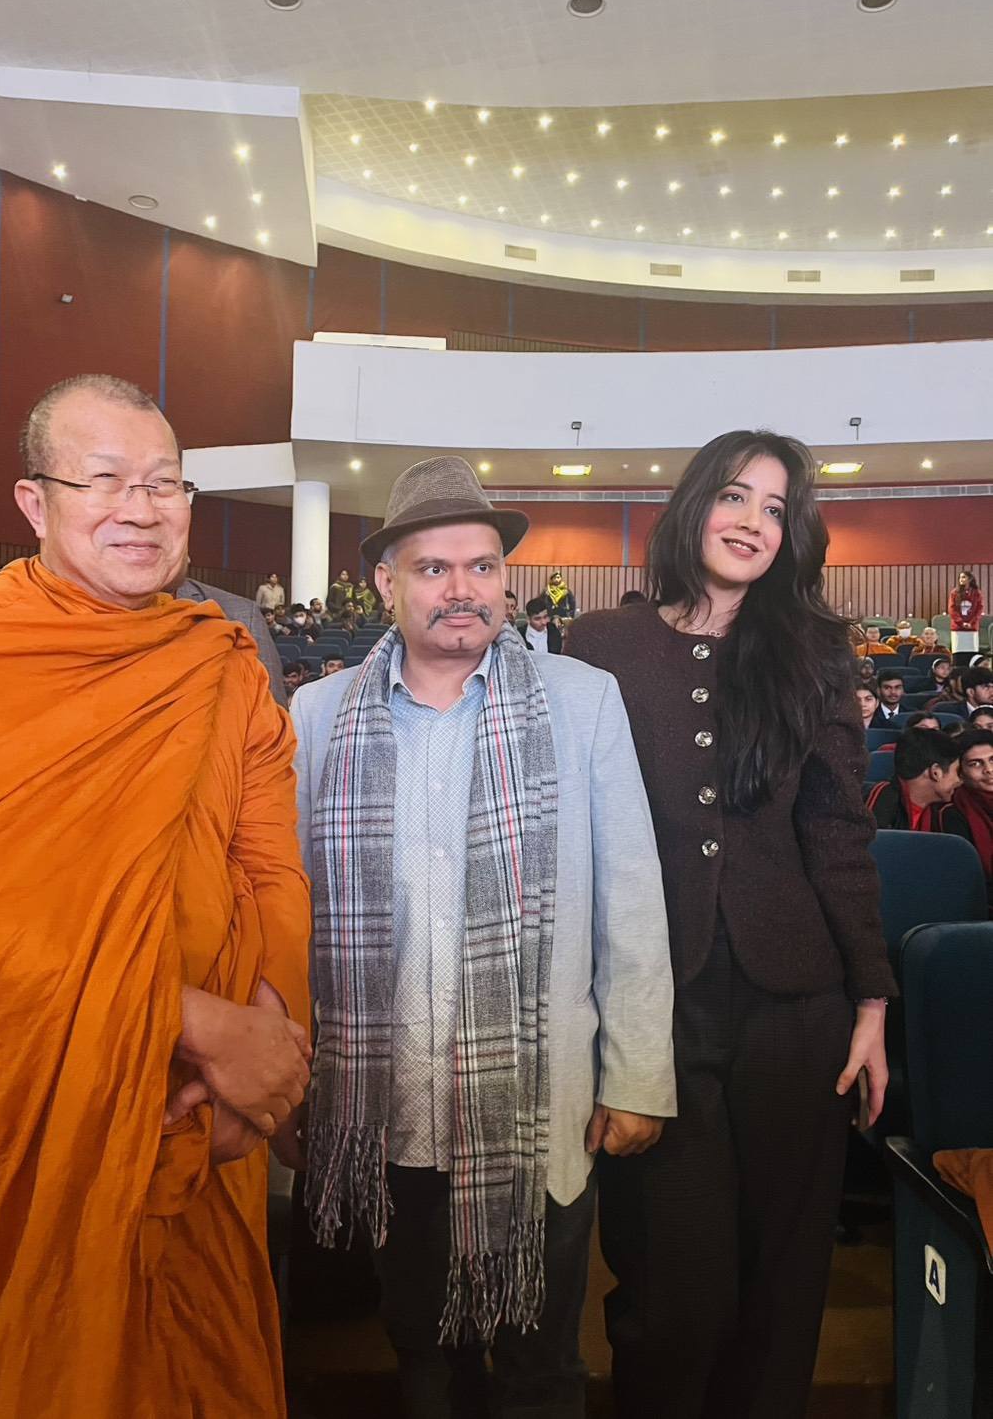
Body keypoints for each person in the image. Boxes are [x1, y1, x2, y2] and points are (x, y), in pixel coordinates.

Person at [0, 373, 312, 1418]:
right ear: (35, 503)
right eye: (106, 480)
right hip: (18, 1121)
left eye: (165, 484)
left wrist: (259, 1050)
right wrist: (193, 1026)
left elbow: (272, 870)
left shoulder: (222, 665)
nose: (141, 508)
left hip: (201, 1128)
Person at [293, 456, 676, 1419]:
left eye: (482, 566)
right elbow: (290, 908)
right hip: (392, 1107)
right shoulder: (320, 715)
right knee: (421, 1352)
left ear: (507, 578)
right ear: (386, 583)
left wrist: (637, 1076)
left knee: (541, 1363)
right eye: (434, 568)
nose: (461, 588)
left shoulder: (581, 700)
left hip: (535, 1107)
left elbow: (631, 897)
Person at [567, 428, 896, 1419]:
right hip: (653, 1005)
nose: (753, 520)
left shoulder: (813, 649)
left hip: (796, 1005)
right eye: (735, 496)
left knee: (782, 1283)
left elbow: (837, 830)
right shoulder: (602, 645)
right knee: (675, 1293)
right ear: (693, 504)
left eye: (776, 508)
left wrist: (872, 999)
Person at [178, 571, 286, 707]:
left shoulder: (243, 615)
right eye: (272, 577)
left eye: (276, 577)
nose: (274, 579)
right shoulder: (262, 590)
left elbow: (272, 711)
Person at [936, 728, 993, 912]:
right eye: (975, 764)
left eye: (992, 760)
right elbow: (964, 879)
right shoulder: (951, 813)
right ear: (961, 773)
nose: (988, 770)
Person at [865, 728, 962, 829]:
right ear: (935, 772)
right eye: (957, 771)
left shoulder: (944, 812)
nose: (959, 781)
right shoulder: (883, 800)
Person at [948, 569, 984, 654]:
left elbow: (979, 609)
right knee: (958, 652)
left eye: (964, 577)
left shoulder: (977, 593)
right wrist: (961, 622)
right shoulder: (954, 593)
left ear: (970, 579)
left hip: (972, 628)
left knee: (972, 652)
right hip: (958, 628)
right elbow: (952, 609)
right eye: (960, 577)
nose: (961, 579)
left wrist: (971, 622)